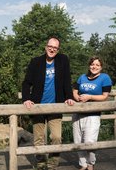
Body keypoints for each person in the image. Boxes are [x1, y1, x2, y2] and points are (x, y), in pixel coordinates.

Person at [22, 37, 74, 170]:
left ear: (58, 50)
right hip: (38, 105)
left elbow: (67, 80)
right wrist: (26, 99)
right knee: (39, 138)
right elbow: (27, 82)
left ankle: (52, 164)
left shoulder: (63, 60)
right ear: (46, 47)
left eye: (55, 48)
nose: (52, 49)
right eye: (50, 46)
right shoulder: (36, 62)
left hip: (55, 105)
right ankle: (40, 163)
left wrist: (69, 96)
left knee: (56, 137)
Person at [71, 56, 112, 170]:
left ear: (101, 67)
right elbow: (74, 90)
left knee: (89, 141)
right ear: (89, 66)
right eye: (92, 64)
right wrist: (77, 97)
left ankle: (90, 164)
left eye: (97, 65)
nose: (94, 67)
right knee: (78, 141)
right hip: (78, 113)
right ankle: (82, 164)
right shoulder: (82, 77)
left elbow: (104, 96)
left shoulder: (105, 78)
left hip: (93, 114)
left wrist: (90, 96)